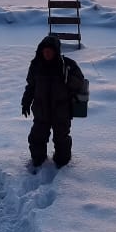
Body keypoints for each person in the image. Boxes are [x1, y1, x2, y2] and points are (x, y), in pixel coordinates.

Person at [21, 34, 85, 168]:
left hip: (61, 111)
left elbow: (79, 83)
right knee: (37, 138)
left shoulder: (67, 65)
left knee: (61, 139)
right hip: (41, 110)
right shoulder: (36, 65)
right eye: (44, 50)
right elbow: (31, 86)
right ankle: (38, 162)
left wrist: (67, 79)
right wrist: (26, 102)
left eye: (50, 50)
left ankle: (62, 165)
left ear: (56, 51)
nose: (47, 53)